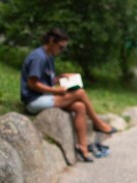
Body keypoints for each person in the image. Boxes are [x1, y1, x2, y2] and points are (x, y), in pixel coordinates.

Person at [20, 28, 117, 163]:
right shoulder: (38, 57)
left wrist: (60, 78)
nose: (61, 50)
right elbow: (32, 84)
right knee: (80, 93)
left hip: (44, 97)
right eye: (60, 47)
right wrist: (57, 91)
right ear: (51, 41)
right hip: (33, 101)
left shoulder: (49, 57)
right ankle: (98, 123)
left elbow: (46, 81)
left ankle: (83, 148)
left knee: (79, 106)